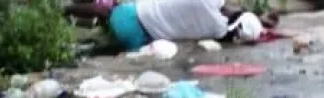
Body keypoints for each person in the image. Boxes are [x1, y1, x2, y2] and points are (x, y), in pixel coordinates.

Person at [65, 0, 278, 52]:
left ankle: (66, 11)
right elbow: (231, 19)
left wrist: (258, 18)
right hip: (138, 40)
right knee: (103, 44)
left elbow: (229, 9)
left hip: (129, 16)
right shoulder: (217, 31)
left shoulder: (211, 3)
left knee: (108, 12)